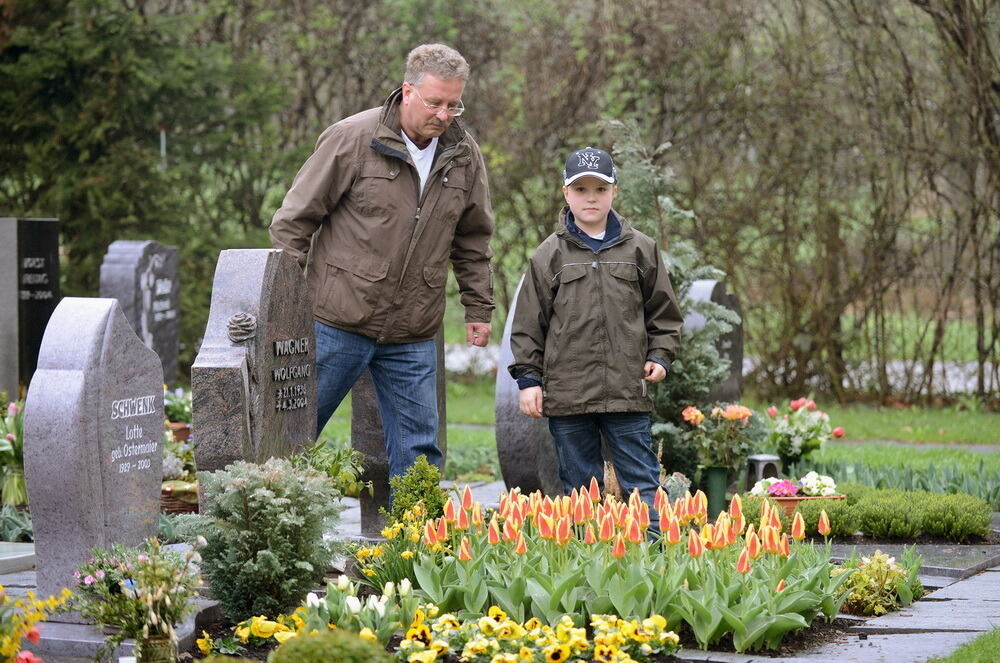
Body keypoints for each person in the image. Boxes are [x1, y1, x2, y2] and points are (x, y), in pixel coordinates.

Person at [269, 43, 494, 481]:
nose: (445, 115)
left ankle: (415, 544)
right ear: (407, 90)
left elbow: (472, 238)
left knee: (420, 452)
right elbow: (294, 223)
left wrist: (479, 307)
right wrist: (283, 303)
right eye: (435, 102)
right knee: (293, 434)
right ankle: (270, 533)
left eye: (454, 104)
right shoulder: (352, 138)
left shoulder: (464, 155)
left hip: (412, 330)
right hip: (335, 320)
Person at [508, 146, 683, 524]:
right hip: (568, 395)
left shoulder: (641, 249)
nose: (591, 198)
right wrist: (528, 380)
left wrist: (660, 356)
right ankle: (588, 568)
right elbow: (527, 326)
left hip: (626, 393)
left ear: (614, 192)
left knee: (643, 487)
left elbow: (664, 314)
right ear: (566, 193)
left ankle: (653, 563)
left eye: (600, 189)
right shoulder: (548, 255)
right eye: (581, 189)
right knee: (580, 492)